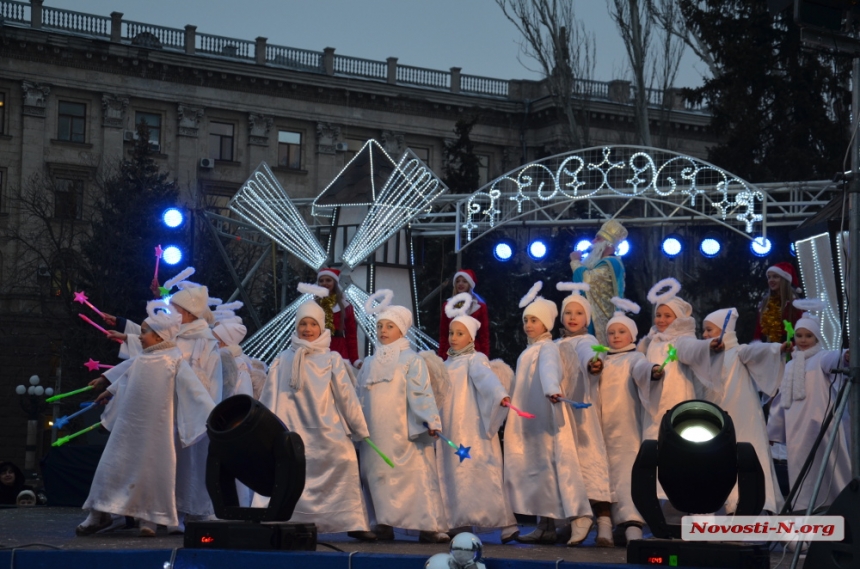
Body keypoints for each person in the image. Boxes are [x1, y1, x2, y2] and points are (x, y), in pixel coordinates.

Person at [77, 301, 214, 537]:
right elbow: (127, 376)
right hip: (128, 429)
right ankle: (99, 512)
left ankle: (148, 517)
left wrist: (212, 413)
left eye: (144, 332)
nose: (139, 337)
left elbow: (195, 391)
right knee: (112, 467)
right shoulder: (143, 359)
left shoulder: (174, 361)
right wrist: (109, 390)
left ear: (159, 336)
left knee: (151, 471)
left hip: (156, 430)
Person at [255, 287, 375, 540]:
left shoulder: (331, 359)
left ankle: (352, 520)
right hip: (292, 432)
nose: (307, 329)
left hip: (326, 429)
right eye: (303, 324)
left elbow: (346, 397)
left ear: (322, 327)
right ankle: (280, 518)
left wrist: (359, 429)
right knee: (289, 470)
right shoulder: (283, 359)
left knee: (344, 461)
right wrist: (264, 432)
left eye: (312, 324)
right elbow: (270, 397)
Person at [674, 308, 789, 514]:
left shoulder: (738, 352)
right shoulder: (702, 356)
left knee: (746, 457)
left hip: (743, 418)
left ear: (725, 331)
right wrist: (709, 345)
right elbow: (684, 348)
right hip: (715, 422)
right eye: (704, 330)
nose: (705, 334)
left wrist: (777, 349)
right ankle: (720, 509)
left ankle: (751, 507)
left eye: (710, 330)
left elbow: (756, 351)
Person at [356, 292, 449, 543]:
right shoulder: (369, 362)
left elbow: (420, 392)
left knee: (414, 476)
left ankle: (427, 526)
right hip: (375, 432)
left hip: (403, 432)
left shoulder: (411, 360)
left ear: (402, 330)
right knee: (377, 476)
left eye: (390, 326)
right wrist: (355, 423)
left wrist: (430, 419)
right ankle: (383, 523)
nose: (383, 331)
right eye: (380, 326)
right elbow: (359, 395)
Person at [505, 282, 593, 547]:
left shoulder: (548, 348)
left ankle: (580, 515)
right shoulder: (528, 350)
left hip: (547, 416)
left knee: (558, 466)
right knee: (538, 469)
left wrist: (553, 389)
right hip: (530, 419)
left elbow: (549, 370)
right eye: (526, 320)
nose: (529, 324)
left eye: (534, 320)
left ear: (547, 323)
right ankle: (546, 525)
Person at [436, 301, 517, 542]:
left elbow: (486, 379)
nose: (453, 338)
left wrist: (500, 395)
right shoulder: (445, 365)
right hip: (449, 428)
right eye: (451, 333)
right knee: (453, 473)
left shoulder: (475, 359)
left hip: (472, 429)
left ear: (470, 337)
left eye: (460, 333)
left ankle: (505, 523)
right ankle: (456, 520)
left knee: (481, 470)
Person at [588, 297, 663, 546]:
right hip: (600, 430)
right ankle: (605, 524)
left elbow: (642, 369)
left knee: (628, 475)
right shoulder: (602, 360)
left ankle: (632, 524)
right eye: (611, 333)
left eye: (621, 332)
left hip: (626, 431)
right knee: (603, 476)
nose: (616, 336)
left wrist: (653, 371)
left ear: (631, 335)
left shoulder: (634, 359)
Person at [767, 302, 850, 513]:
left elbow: (834, 358)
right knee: (801, 467)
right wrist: (774, 430)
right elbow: (781, 399)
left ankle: (840, 505)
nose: (803, 340)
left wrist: (845, 356)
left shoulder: (821, 358)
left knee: (831, 465)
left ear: (816, 338)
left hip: (822, 424)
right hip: (797, 428)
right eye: (799, 335)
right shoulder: (791, 365)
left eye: (808, 336)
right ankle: (804, 508)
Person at [554, 282, 613, 547]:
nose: (573, 318)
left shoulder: (587, 341)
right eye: (568, 313)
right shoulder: (554, 344)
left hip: (583, 414)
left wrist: (593, 364)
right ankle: (570, 520)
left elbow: (590, 356)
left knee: (591, 464)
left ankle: (604, 524)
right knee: (567, 467)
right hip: (560, 414)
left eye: (579, 313)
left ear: (587, 319)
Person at [638, 278, 697, 441]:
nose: (661, 320)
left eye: (667, 316)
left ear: (678, 318)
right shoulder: (652, 340)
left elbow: (694, 350)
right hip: (654, 400)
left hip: (676, 394)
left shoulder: (683, 339)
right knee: (654, 436)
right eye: (658, 315)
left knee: (677, 434)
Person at [569, 219, 627, 345]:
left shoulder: (611, 263)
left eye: (598, 239)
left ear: (607, 244)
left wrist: (575, 261)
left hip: (603, 325)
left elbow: (586, 281)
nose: (592, 242)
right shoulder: (604, 264)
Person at [438, 269, 490, 359]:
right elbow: (444, 333)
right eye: (458, 281)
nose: (460, 284)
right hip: (452, 352)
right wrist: (441, 356)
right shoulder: (447, 306)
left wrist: (484, 356)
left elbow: (484, 334)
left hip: (472, 352)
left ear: (470, 284)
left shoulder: (479, 306)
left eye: (464, 281)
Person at [316, 268, 361, 367]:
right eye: (321, 280)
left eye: (328, 280)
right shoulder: (313, 305)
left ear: (335, 282)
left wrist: (354, 359)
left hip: (339, 350)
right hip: (317, 348)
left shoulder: (345, 307)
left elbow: (351, 335)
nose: (324, 283)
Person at [753, 262, 802, 343]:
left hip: (788, 350)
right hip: (767, 350)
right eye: (769, 277)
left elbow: (800, 332)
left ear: (784, 280)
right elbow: (758, 331)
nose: (771, 280)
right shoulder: (765, 303)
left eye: (775, 277)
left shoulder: (795, 304)